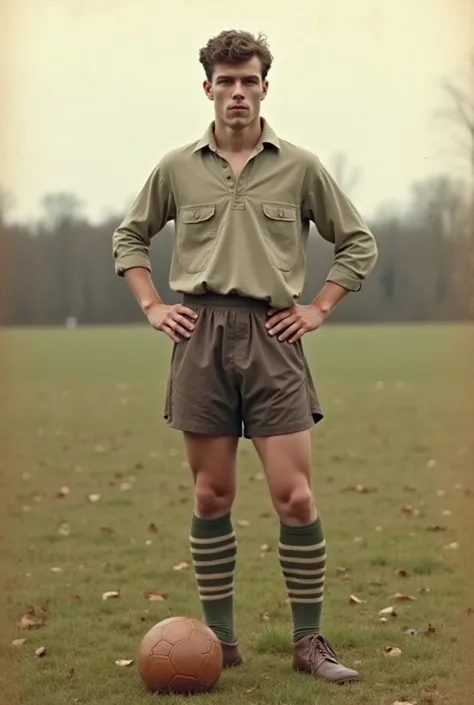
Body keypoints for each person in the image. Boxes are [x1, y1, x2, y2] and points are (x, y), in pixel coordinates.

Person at [112, 29, 378, 685]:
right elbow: (130, 237)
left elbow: (358, 244)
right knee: (212, 493)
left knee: (294, 495)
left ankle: (309, 642)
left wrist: (317, 307)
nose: (237, 92)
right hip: (199, 336)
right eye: (225, 81)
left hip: (274, 336)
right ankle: (219, 642)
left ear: (264, 86)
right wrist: (151, 306)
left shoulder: (301, 166)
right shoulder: (176, 168)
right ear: (208, 88)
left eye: (249, 80)